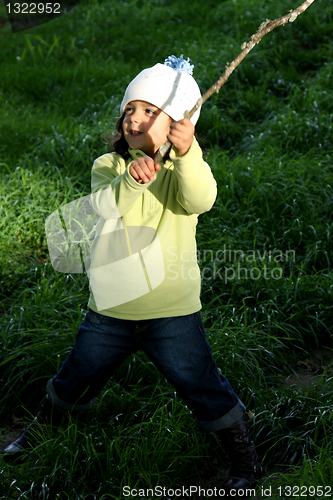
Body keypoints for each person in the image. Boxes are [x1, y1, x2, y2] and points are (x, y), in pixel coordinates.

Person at [4, 55, 262, 494]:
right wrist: (132, 181)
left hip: (170, 309)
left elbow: (200, 199)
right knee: (78, 373)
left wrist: (189, 152)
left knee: (198, 381)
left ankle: (243, 456)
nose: (134, 118)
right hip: (112, 308)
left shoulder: (183, 171)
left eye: (149, 111)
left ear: (177, 123)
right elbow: (106, 211)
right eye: (129, 110)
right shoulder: (109, 167)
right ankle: (42, 428)